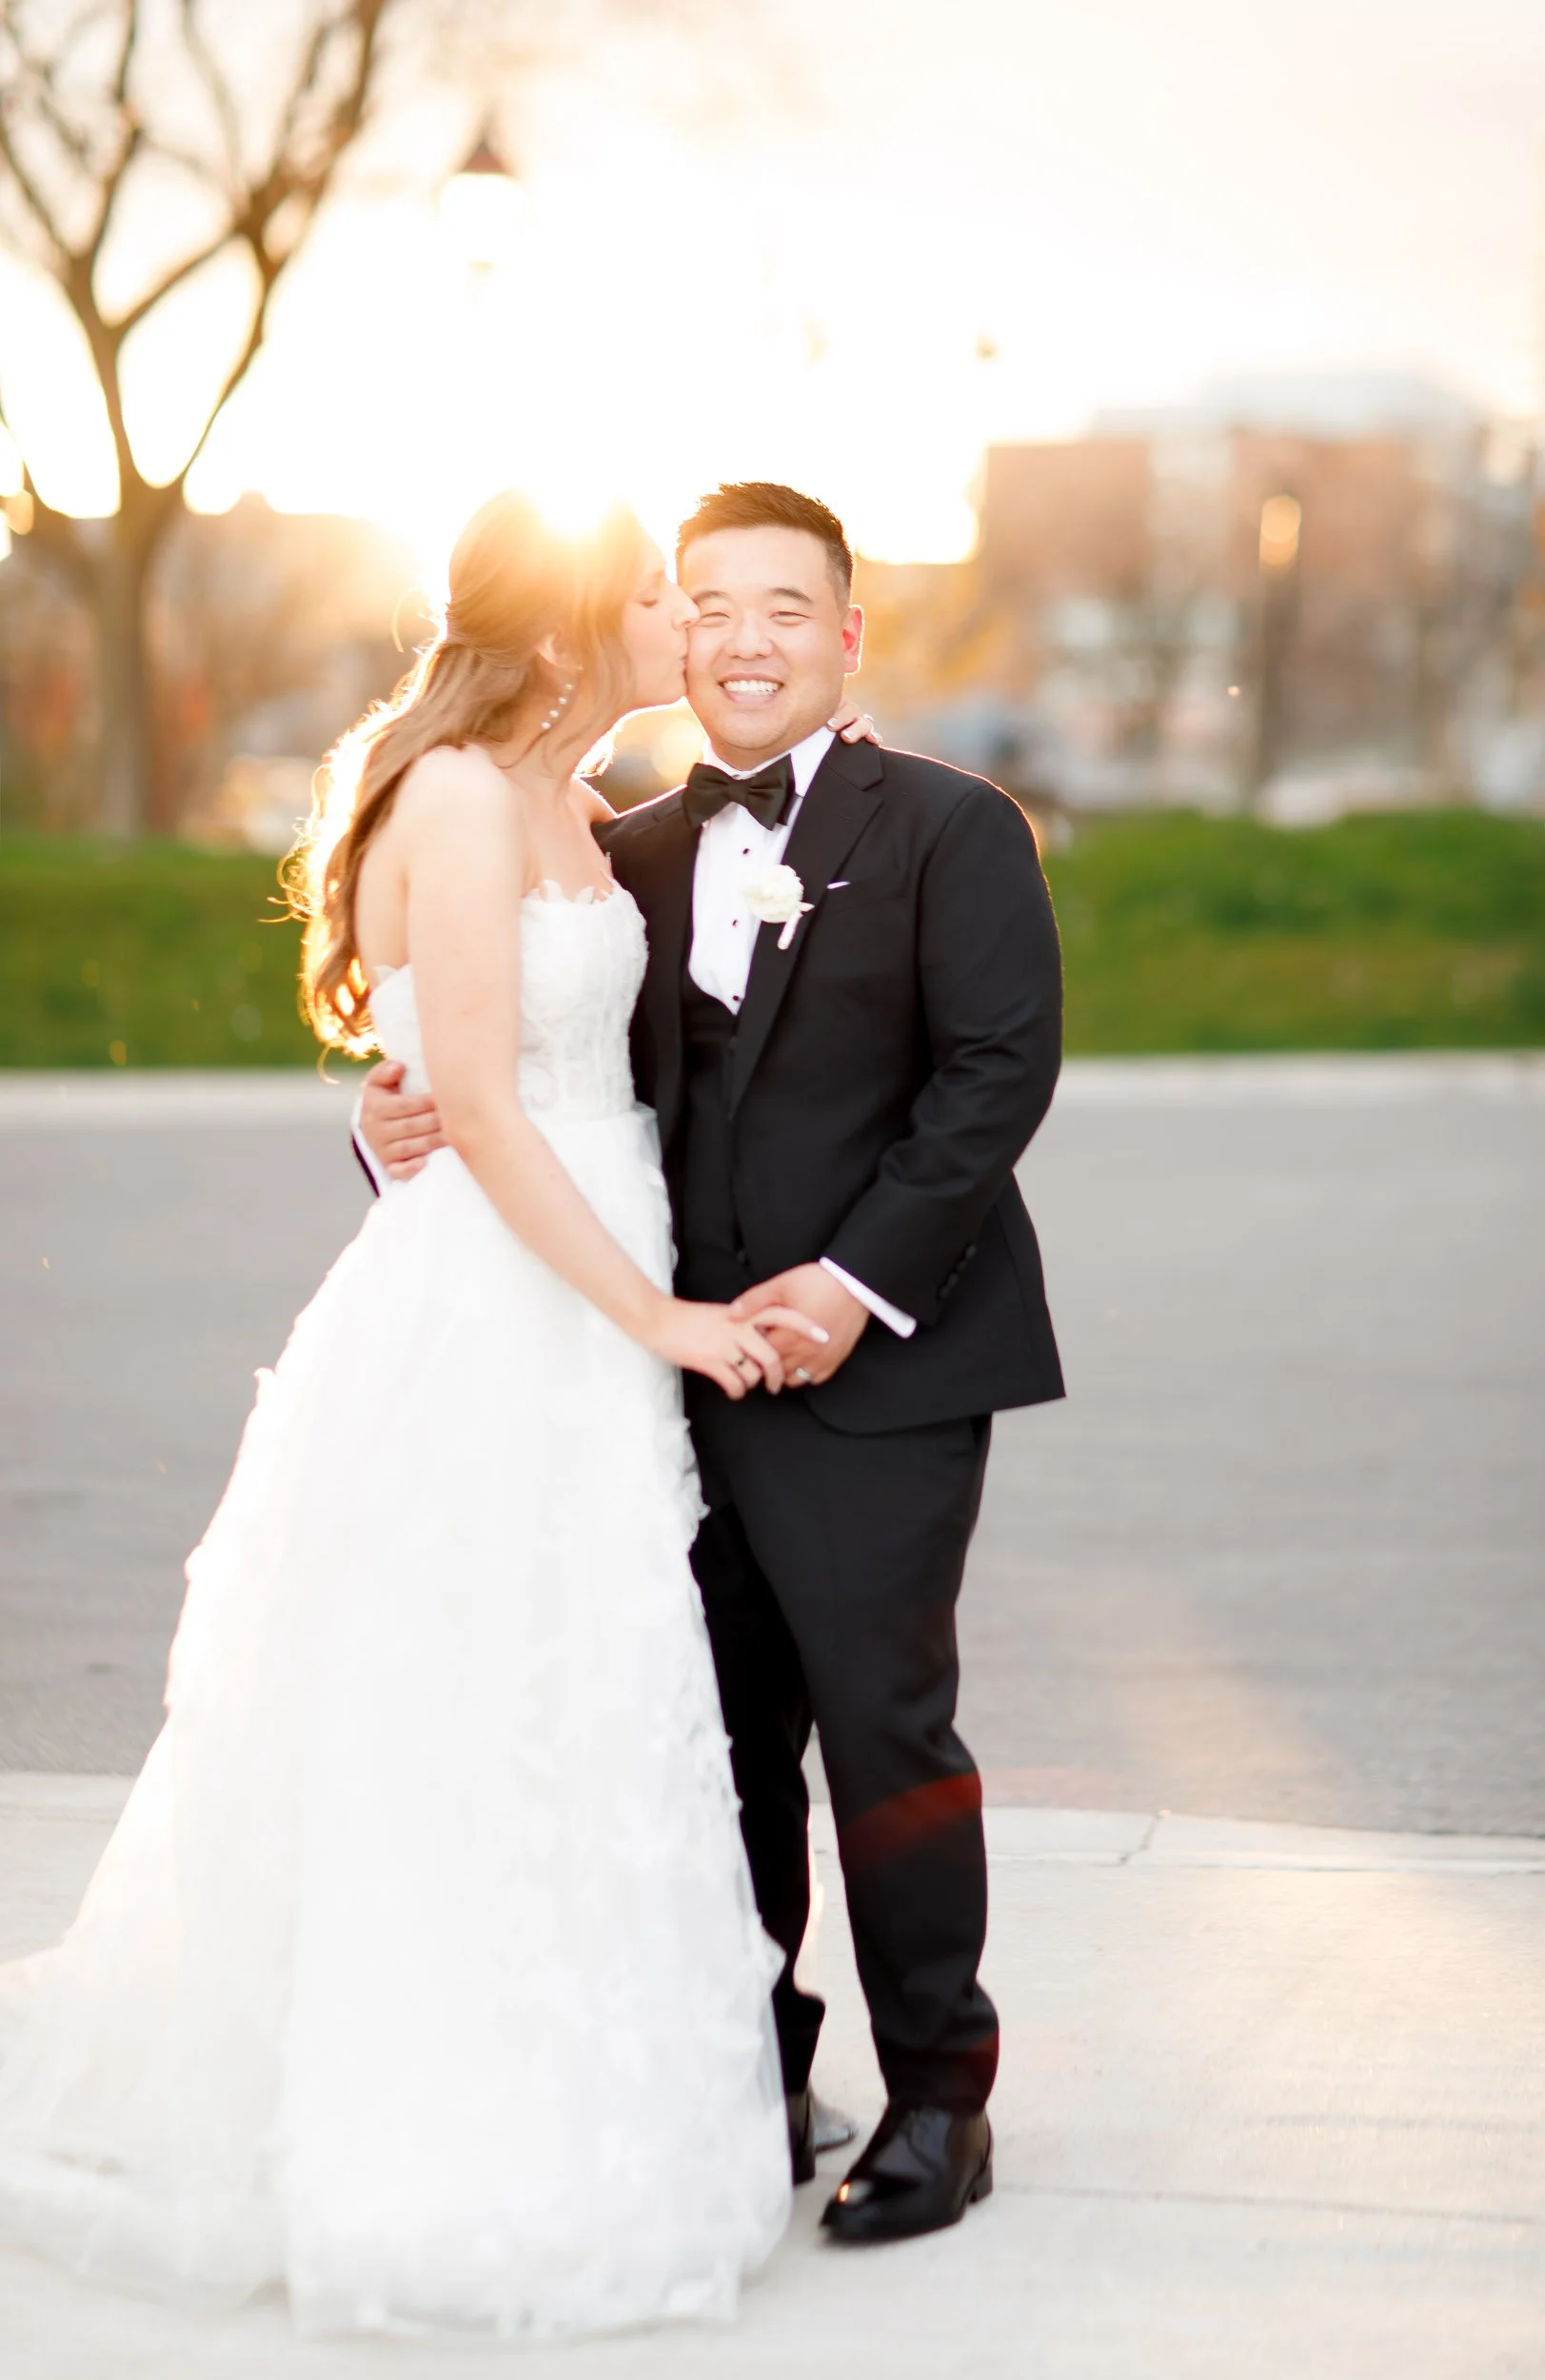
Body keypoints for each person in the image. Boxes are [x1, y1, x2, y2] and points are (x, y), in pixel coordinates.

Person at [0, 492, 860, 2340]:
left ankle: (595, 2079)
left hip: (585, 1296)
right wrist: (657, 1315)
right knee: (456, 1694)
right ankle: (420, 2118)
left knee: (579, 1696)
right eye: (651, 592)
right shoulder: (465, 796)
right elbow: (470, 1101)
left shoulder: (567, 803)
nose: (681, 619)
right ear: (566, 627)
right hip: (512, 1310)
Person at [361, 481, 1065, 2246]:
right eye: (709, 603)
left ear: (846, 634)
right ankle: (754, 2068)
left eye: (784, 607)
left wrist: (850, 1284)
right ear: (668, 626)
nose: (742, 638)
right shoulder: (618, 845)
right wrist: (396, 1128)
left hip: (882, 1368)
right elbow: (536, 1077)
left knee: (883, 1733)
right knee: (714, 1745)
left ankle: (938, 2101)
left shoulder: (953, 829)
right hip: (653, 1373)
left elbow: (992, 1082)